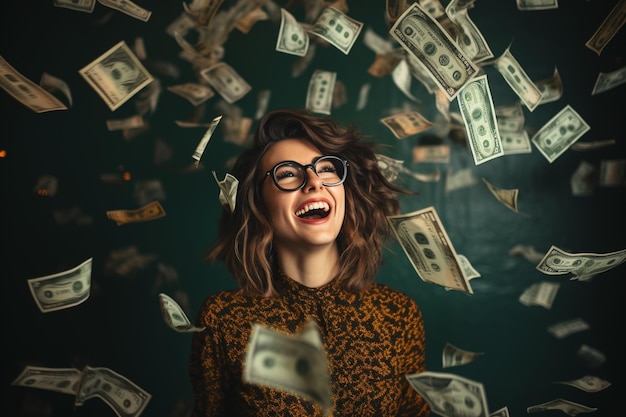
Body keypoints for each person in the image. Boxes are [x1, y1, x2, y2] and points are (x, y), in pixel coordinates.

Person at [189, 108, 431, 417]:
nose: (314, 182)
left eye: (327, 168)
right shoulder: (222, 320)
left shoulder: (398, 315)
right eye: (288, 173)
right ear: (259, 203)